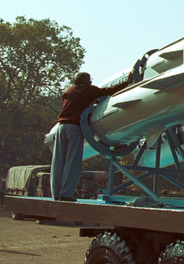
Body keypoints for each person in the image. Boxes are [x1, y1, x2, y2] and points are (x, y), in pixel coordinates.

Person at [51, 71, 131, 201]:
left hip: (61, 127)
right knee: (73, 162)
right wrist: (127, 82)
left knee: (58, 162)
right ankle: (65, 194)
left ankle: (56, 193)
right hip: (74, 128)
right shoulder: (88, 90)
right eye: (89, 79)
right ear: (84, 81)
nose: (91, 82)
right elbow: (109, 91)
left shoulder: (69, 91)